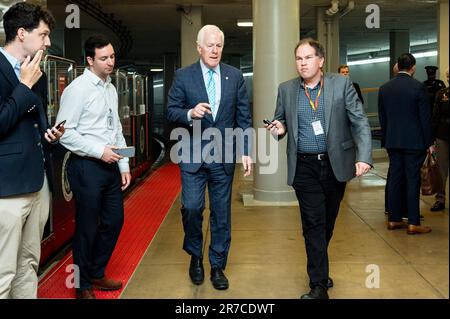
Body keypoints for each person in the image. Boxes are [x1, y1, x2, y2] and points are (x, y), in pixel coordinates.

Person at [266, 38, 372, 299]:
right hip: (304, 166)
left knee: (327, 223)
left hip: (335, 165)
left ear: (321, 61)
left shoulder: (341, 85)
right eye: (299, 59)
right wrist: (278, 129)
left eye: (308, 58)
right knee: (313, 222)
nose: (303, 63)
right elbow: (280, 121)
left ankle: (320, 269)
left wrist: (365, 156)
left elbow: (359, 121)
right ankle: (318, 286)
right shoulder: (287, 89)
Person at [167, 25, 252, 291]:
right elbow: (171, 111)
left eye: (219, 46)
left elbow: (243, 117)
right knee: (192, 208)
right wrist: (190, 113)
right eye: (210, 45)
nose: (215, 50)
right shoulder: (183, 76)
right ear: (198, 47)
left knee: (221, 214)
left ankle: (217, 265)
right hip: (192, 155)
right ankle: (195, 256)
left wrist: (247, 150)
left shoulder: (234, 76)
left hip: (223, 157)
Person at [56, 35, 131, 299]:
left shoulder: (110, 88)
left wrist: (124, 164)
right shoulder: (77, 89)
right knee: (87, 228)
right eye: (104, 58)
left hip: (110, 167)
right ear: (90, 60)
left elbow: (116, 128)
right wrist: (99, 152)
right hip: (86, 167)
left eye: (112, 56)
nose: (110, 62)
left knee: (114, 221)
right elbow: (64, 133)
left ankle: (96, 271)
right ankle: (82, 284)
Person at [0, 3, 63, 299]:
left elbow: (34, 127)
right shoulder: (23, 76)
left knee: (28, 265)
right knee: (3, 272)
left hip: (38, 184)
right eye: (44, 34)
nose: (48, 42)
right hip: (7, 190)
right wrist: (23, 86)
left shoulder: (35, 73)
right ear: (22, 33)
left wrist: (50, 136)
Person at [378, 53, 434, 235]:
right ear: (413, 67)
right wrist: (429, 142)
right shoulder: (418, 87)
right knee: (412, 180)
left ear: (398, 66)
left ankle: (394, 220)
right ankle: (413, 222)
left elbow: (383, 118)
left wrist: (386, 139)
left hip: (393, 141)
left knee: (395, 179)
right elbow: (424, 118)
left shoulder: (385, 88)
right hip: (414, 142)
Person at [430, 67, 449, 211]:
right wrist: (432, 139)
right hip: (442, 135)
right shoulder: (441, 93)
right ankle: (440, 199)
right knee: (441, 169)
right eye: (448, 76)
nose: (448, 78)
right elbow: (435, 117)